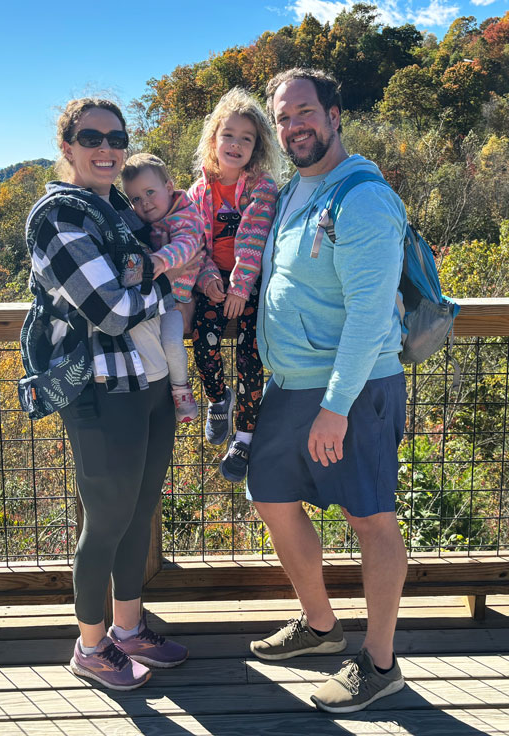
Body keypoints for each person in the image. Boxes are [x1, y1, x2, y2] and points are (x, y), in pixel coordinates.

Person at [247, 68, 408, 713]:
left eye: (305, 112)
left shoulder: (361, 196)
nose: (294, 127)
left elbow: (370, 314)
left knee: (370, 516)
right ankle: (320, 627)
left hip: (354, 387)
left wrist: (336, 407)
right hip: (291, 382)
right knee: (271, 494)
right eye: (283, 118)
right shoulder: (294, 190)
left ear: (335, 114)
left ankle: (380, 663)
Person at [23, 97, 188, 691]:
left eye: (117, 139)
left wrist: (160, 278)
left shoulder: (116, 209)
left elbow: (132, 287)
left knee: (140, 511)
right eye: (91, 137)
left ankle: (128, 628)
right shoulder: (58, 218)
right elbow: (111, 311)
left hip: (147, 382)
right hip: (99, 391)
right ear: (67, 146)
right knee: (107, 519)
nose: (106, 149)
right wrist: (171, 283)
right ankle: (91, 646)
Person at [188, 87, 281, 482]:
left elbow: (254, 238)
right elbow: (194, 243)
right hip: (213, 279)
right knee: (202, 338)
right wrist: (208, 278)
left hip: (252, 280)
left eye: (247, 138)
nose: (236, 144)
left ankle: (244, 436)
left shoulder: (261, 186)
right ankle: (217, 399)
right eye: (229, 135)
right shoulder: (198, 191)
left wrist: (241, 287)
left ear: (257, 146)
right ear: (214, 138)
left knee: (250, 354)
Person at [121, 153, 204, 423]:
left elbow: (187, 245)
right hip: (154, 302)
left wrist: (159, 260)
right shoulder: (143, 224)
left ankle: (181, 390)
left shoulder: (185, 216)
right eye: (135, 199)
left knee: (170, 342)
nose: (144, 203)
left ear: (169, 187)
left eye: (149, 192)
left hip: (176, 300)